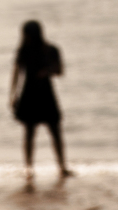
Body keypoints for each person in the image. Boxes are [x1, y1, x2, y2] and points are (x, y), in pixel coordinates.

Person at [10, 21, 70, 180]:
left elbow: (60, 71)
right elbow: (16, 74)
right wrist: (13, 95)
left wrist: (47, 72)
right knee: (30, 133)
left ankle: (62, 167)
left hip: (45, 94)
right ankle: (29, 168)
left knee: (55, 132)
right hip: (30, 94)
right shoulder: (24, 51)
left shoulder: (50, 50)